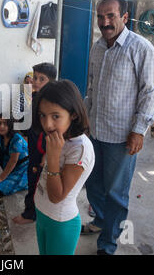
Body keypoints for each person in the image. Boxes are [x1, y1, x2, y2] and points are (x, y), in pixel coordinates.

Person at [83, 0, 154, 255]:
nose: (105, 22)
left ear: (124, 17)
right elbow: (91, 88)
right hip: (95, 132)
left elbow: (150, 93)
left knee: (116, 192)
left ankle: (108, 243)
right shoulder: (97, 48)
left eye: (111, 16)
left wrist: (139, 130)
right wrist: (85, 119)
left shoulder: (141, 49)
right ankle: (101, 221)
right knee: (93, 184)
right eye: (101, 16)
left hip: (122, 136)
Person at [33, 80, 95, 255]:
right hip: (43, 215)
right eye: (42, 115)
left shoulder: (80, 149)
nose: (47, 124)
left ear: (73, 114)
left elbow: (56, 196)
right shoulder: (60, 137)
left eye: (55, 116)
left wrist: (52, 156)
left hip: (60, 222)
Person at [13, 62, 57, 225]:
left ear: (51, 82)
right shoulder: (35, 96)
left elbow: (54, 131)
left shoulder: (52, 103)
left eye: (41, 79)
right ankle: (35, 210)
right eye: (35, 77)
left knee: (37, 180)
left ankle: (31, 213)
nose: (36, 81)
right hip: (33, 144)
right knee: (33, 178)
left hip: (43, 149)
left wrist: (47, 154)